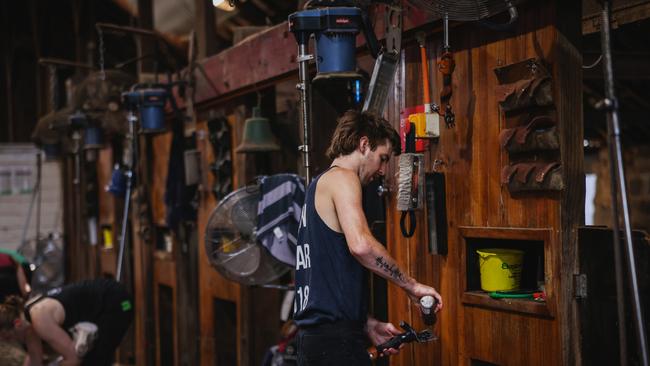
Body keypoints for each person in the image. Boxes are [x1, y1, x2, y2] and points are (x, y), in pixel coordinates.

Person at [293, 110, 443, 365]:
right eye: (383, 159)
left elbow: (326, 280)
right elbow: (362, 246)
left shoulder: (319, 184)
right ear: (363, 145)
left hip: (320, 341)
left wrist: (367, 324)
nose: (383, 170)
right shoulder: (343, 178)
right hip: (333, 346)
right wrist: (411, 285)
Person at [0, 278, 133, 366]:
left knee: (92, 361)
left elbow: (73, 358)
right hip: (99, 308)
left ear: (17, 323)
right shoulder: (28, 326)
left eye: (9, 337)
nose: (13, 342)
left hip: (117, 302)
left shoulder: (40, 320)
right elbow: (34, 360)